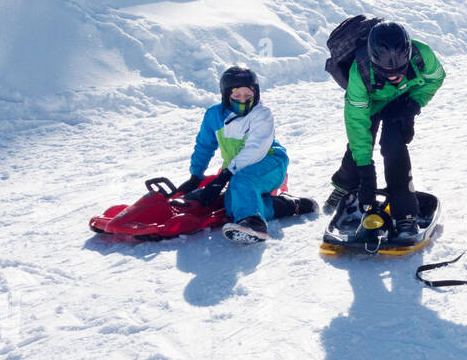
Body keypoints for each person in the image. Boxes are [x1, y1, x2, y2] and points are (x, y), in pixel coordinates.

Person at [325, 21, 445, 246]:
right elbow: (356, 125)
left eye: (399, 71)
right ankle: (345, 187)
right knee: (359, 148)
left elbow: (436, 77)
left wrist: (413, 105)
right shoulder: (358, 73)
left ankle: (405, 214)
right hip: (370, 103)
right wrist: (366, 169)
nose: (393, 76)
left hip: (401, 101)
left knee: (394, 145)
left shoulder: (423, 55)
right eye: (385, 71)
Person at [181, 67, 315, 244]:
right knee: (233, 208)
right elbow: (204, 146)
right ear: (226, 95)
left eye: (248, 95)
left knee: (242, 183)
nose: (243, 100)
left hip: (271, 163)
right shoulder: (214, 115)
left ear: (256, 93)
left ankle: (254, 224)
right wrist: (195, 176)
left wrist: (225, 175)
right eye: (237, 96)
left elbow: (256, 149)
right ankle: (289, 205)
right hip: (238, 170)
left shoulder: (262, 114)